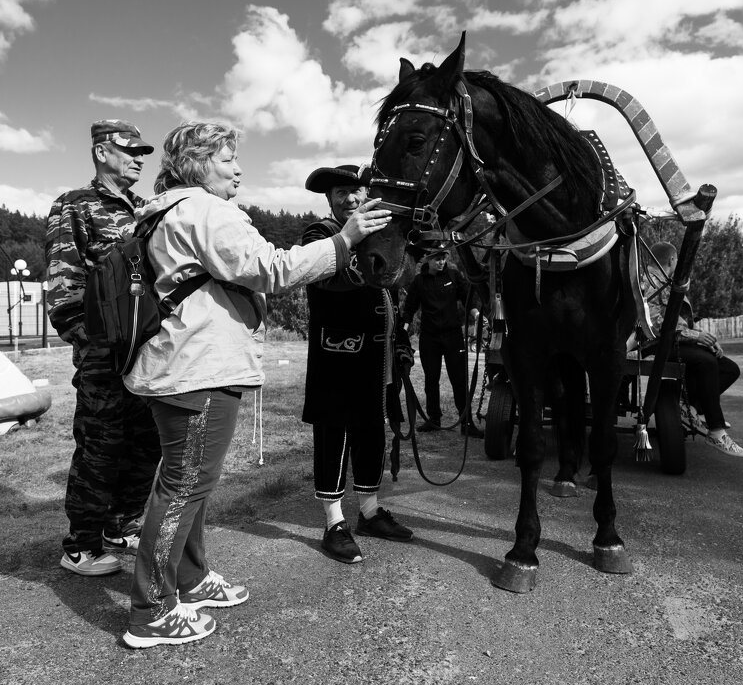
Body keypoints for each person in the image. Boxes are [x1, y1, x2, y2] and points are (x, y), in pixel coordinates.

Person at [120, 122, 392, 648]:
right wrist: (346, 240)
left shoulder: (170, 211)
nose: (239, 168)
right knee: (182, 487)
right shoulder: (205, 210)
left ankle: (191, 578)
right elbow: (271, 268)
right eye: (227, 159)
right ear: (198, 164)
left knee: (189, 482)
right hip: (198, 368)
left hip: (188, 365)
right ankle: (151, 610)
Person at [44, 119, 162, 577]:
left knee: (146, 444)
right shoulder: (75, 205)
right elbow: (63, 284)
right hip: (103, 354)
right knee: (100, 447)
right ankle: (81, 544)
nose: (138, 159)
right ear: (101, 152)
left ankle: (120, 526)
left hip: (146, 351)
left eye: (142, 153)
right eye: (130, 150)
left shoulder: (145, 208)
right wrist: (91, 344)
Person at [300, 164, 416, 565]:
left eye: (359, 191)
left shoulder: (381, 235)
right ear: (330, 200)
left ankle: (368, 512)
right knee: (334, 433)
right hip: (338, 354)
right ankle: (334, 522)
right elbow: (331, 279)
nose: (352, 198)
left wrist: (401, 343)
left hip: (377, 356)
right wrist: (355, 243)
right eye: (342, 193)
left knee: (371, 432)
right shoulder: (319, 234)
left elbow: (392, 297)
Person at [644, 241, 743, 457]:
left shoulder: (665, 280)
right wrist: (697, 336)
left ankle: (688, 408)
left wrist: (705, 338)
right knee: (706, 362)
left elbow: (683, 319)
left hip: (676, 340)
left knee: (729, 368)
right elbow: (654, 323)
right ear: (672, 259)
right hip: (658, 344)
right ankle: (716, 430)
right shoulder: (651, 280)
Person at [401, 246, 483, 436]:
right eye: (437, 259)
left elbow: (467, 298)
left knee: (459, 380)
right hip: (430, 338)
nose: (441, 262)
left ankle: (467, 422)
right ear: (428, 260)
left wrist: (477, 314)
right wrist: (403, 331)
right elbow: (409, 309)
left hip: (453, 335)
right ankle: (434, 419)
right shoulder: (419, 281)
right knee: (431, 380)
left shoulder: (453, 276)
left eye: (443, 258)